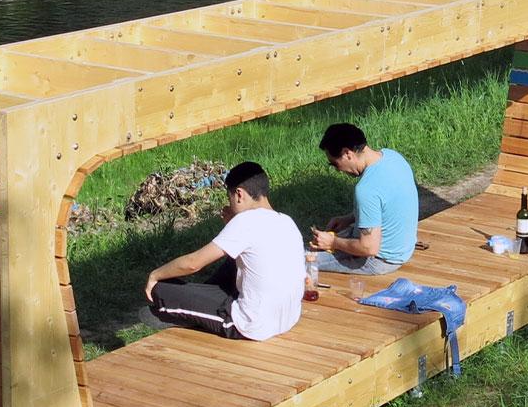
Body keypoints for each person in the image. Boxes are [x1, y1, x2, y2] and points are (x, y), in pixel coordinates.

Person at [144, 162, 306, 341]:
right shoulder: (287, 221)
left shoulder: (245, 221)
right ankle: (200, 303)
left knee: (162, 290)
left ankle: (191, 314)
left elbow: (193, 264)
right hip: (287, 318)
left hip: (249, 325)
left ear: (239, 194)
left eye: (229, 198)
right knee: (232, 262)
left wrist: (154, 275)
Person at [307, 122, 418, 275]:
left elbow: (369, 248)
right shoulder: (393, 157)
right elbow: (387, 203)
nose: (338, 171)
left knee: (303, 259)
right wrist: (350, 218)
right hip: (403, 249)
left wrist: (333, 242)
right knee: (317, 244)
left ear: (347, 153)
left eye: (335, 164)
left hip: (380, 260)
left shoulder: (366, 189)